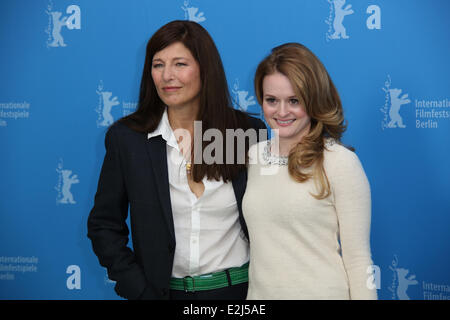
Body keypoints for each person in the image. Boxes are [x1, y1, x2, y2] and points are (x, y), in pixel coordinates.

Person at [87, 20, 266, 300]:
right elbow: (104, 225)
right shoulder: (128, 139)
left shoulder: (244, 134)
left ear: (205, 69)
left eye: (180, 64)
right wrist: (140, 290)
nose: (167, 75)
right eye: (158, 65)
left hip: (242, 293)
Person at [242, 43, 377, 300]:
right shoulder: (253, 156)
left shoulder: (340, 162)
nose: (282, 112)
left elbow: (359, 259)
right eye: (272, 100)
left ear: (313, 100)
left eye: (294, 101)